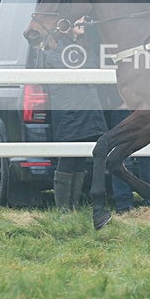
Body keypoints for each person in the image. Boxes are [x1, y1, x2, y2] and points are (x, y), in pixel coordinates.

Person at [45, 17, 109, 211]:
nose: (82, 21)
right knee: (67, 158)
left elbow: (96, 65)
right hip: (69, 111)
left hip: (86, 110)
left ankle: (73, 207)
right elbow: (82, 67)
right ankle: (64, 209)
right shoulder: (55, 48)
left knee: (80, 158)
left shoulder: (83, 45)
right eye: (77, 18)